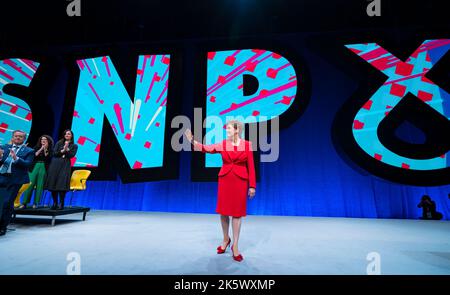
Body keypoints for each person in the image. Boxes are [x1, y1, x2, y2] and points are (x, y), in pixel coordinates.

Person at [185, 120, 256, 262]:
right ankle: (225, 239)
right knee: (224, 212)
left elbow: (251, 166)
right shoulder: (223, 144)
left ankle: (235, 245)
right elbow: (206, 148)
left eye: (229, 128)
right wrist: (192, 141)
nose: (227, 131)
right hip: (225, 180)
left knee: (237, 213)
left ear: (237, 130)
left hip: (240, 181)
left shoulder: (247, 145)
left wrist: (252, 186)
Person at [0, 130, 35, 236]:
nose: (18, 138)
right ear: (12, 137)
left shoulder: (29, 151)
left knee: (7, 203)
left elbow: (28, 164)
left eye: (20, 136)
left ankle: (2, 227)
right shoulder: (4, 147)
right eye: (16, 136)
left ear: (24, 138)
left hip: (15, 180)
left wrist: (16, 158)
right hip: (2, 176)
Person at [45, 130, 78, 210]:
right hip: (55, 164)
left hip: (65, 164)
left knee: (61, 184)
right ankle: (55, 203)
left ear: (71, 136)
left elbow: (71, 155)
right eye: (65, 133)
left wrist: (66, 150)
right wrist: (62, 151)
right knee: (53, 183)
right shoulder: (59, 143)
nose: (67, 135)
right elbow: (54, 153)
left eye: (69, 134)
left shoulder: (74, 145)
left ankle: (61, 203)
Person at [19, 135, 54, 209]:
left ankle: (36, 203)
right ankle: (24, 203)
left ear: (48, 141)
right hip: (34, 167)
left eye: (45, 139)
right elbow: (35, 155)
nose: (43, 141)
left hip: (43, 167)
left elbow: (47, 157)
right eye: (42, 139)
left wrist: (45, 149)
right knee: (30, 185)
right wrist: (41, 148)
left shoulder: (51, 149)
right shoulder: (36, 147)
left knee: (40, 186)